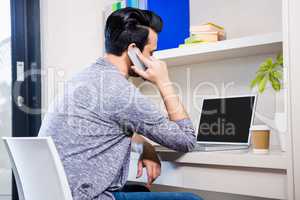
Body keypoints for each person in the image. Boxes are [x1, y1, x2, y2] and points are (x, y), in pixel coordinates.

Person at [39, 7, 202, 200]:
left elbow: (103, 131)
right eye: (151, 52)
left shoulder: (83, 79)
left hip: (58, 194)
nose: (153, 60)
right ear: (133, 51)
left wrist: (146, 146)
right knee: (192, 199)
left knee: (140, 191)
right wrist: (164, 81)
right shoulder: (120, 92)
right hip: (88, 197)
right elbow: (186, 140)